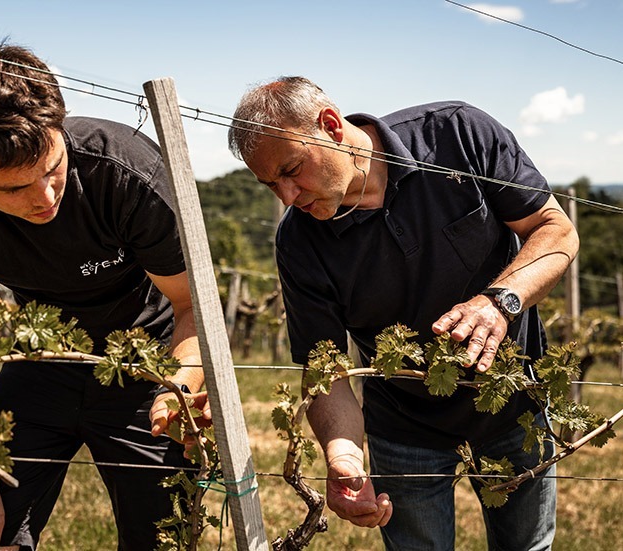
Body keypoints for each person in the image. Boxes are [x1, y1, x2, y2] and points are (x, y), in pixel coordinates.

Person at [228, 76, 578, 550]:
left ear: (330, 125)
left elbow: (555, 229)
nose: (287, 196)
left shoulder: (457, 135)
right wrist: (344, 455)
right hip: (404, 424)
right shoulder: (299, 242)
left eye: (291, 170)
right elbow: (325, 369)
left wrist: (502, 300)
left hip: (514, 404)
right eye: (271, 184)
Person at [0, 44, 206, 551]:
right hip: (42, 357)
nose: (45, 198)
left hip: (148, 360)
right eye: (13, 188)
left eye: (52, 167)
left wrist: (178, 388)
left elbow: (193, 307)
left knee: (164, 538)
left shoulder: (125, 171)